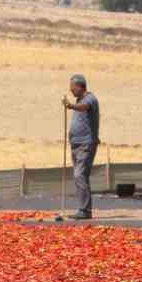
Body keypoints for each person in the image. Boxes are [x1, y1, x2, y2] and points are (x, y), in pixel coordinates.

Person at [61, 75, 101, 220]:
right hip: (77, 143)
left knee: (80, 175)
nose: (71, 91)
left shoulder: (90, 99)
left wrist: (71, 106)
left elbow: (84, 107)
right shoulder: (80, 99)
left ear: (80, 86)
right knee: (80, 176)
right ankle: (83, 209)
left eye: (73, 88)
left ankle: (85, 210)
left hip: (86, 143)